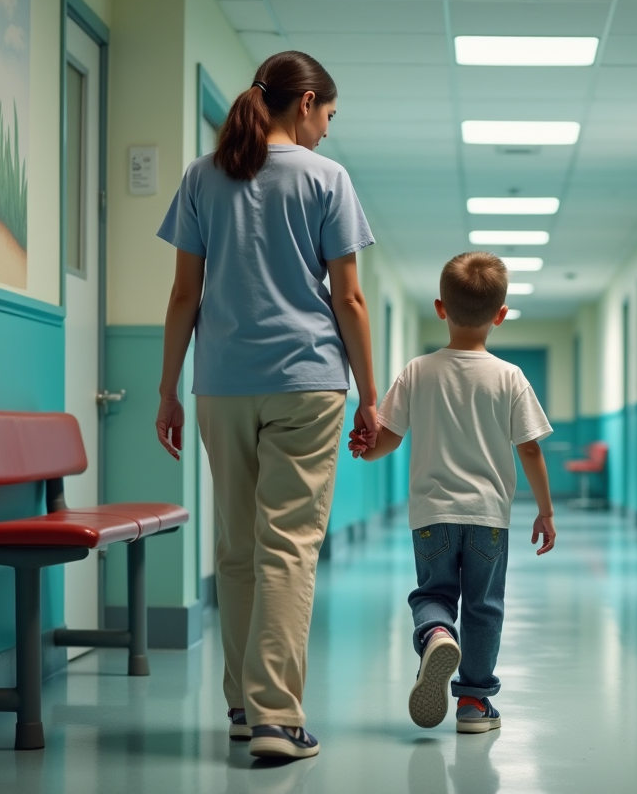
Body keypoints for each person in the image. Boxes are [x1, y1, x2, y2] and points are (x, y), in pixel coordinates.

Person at [154, 51, 378, 760]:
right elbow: (348, 298)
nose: (327, 133)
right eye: (327, 117)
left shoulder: (202, 176)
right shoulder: (327, 180)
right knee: (288, 549)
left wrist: (167, 388)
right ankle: (278, 718)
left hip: (221, 382)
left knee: (238, 548)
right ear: (305, 101)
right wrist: (372, 394)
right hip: (307, 382)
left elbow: (184, 295)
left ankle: (246, 710)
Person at [350, 251, 558, 734]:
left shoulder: (418, 371)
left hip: (432, 514)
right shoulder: (510, 377)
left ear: (441, 307)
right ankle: (473, 705)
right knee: (484, 606)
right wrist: (545, 511)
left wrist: (365, 448)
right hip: (488, 517)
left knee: (434, 592)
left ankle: (437, 633)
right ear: (500, 316)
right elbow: (529, 450)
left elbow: (389, 440)